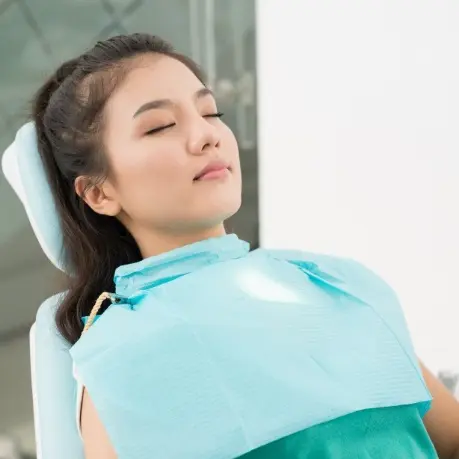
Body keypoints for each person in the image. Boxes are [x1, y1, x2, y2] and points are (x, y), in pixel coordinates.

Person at [29, 32, 459, 459]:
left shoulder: (336, 282)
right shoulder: (121, 354)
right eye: (160, 126)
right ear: (99, 193)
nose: (206, 136)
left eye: (211, 113)